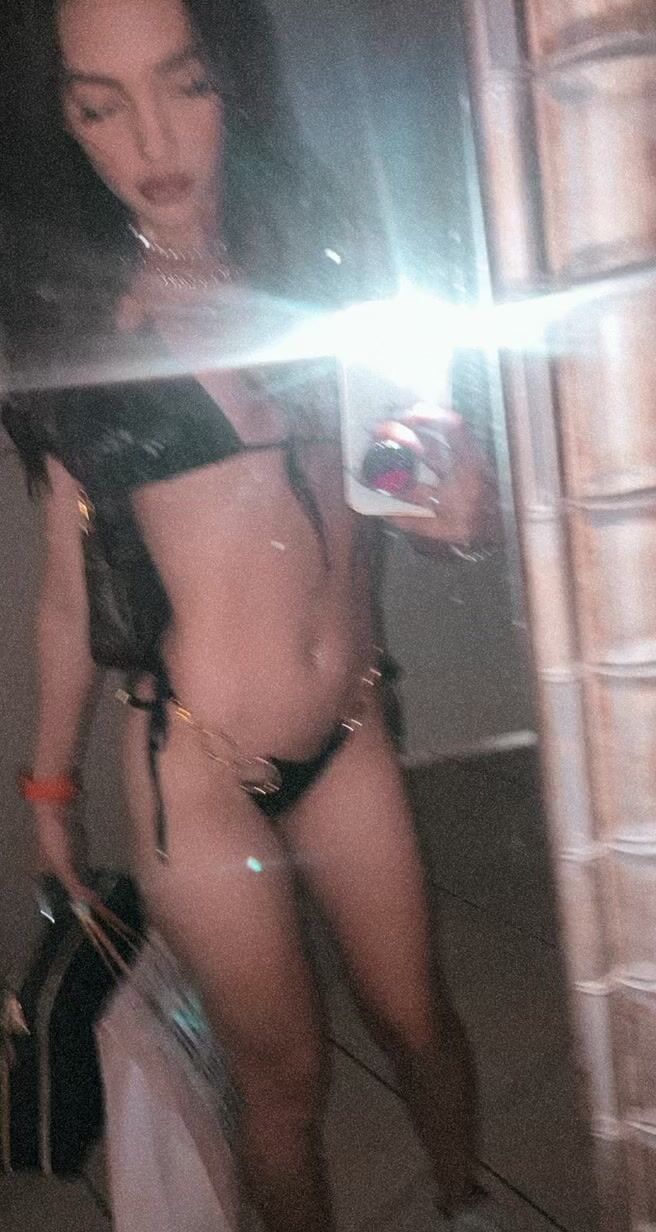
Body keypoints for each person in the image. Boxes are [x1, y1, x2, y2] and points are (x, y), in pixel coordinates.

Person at [2, 1, 497, 1229]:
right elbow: (65, 597)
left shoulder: (318, 263)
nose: (151, 141)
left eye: (183, 85)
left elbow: (401, 483)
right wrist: (50, 787)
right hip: (199, 769)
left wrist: (458, 513)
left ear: (235, 82)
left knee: (419, 1018)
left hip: (347, 723)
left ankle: (465, 1203)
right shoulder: (80, 330)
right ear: (61, 123)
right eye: (100, 105)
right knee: (284, 1086)